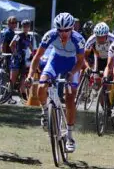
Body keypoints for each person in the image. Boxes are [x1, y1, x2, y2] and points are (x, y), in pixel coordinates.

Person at [27, 13, 86, 153]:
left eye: (66, 30)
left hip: (72, 65)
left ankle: (70, 136)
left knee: (70, 97)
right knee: (42, 85)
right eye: (60, 30)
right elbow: (37, 57)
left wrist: (72, 73)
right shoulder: (50, 35)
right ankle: (45, 111)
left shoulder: (78, 39)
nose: (63, 33)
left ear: (72, 28)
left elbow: (81, 61)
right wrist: (30, 75)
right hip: (55, 61)